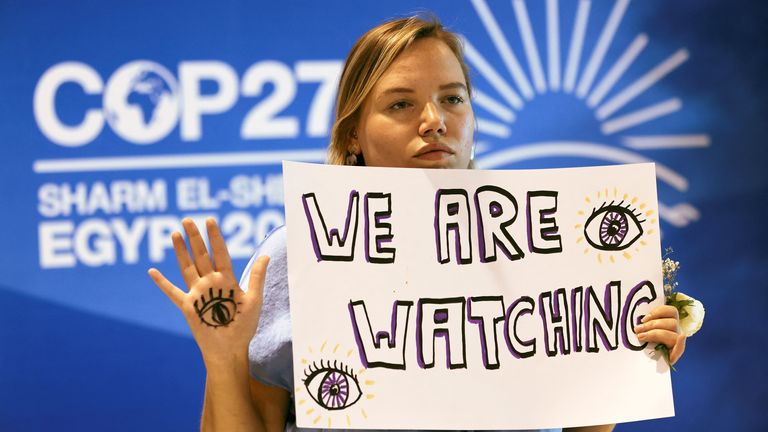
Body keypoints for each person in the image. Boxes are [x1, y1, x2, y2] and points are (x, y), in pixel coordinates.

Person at [148, 14, 687, 432]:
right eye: (401, 104)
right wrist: (224, 359)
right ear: (353, 134)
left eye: (452, 98)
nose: (434, 121)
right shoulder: (300, 252)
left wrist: (621, 363)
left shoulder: (545, 242)